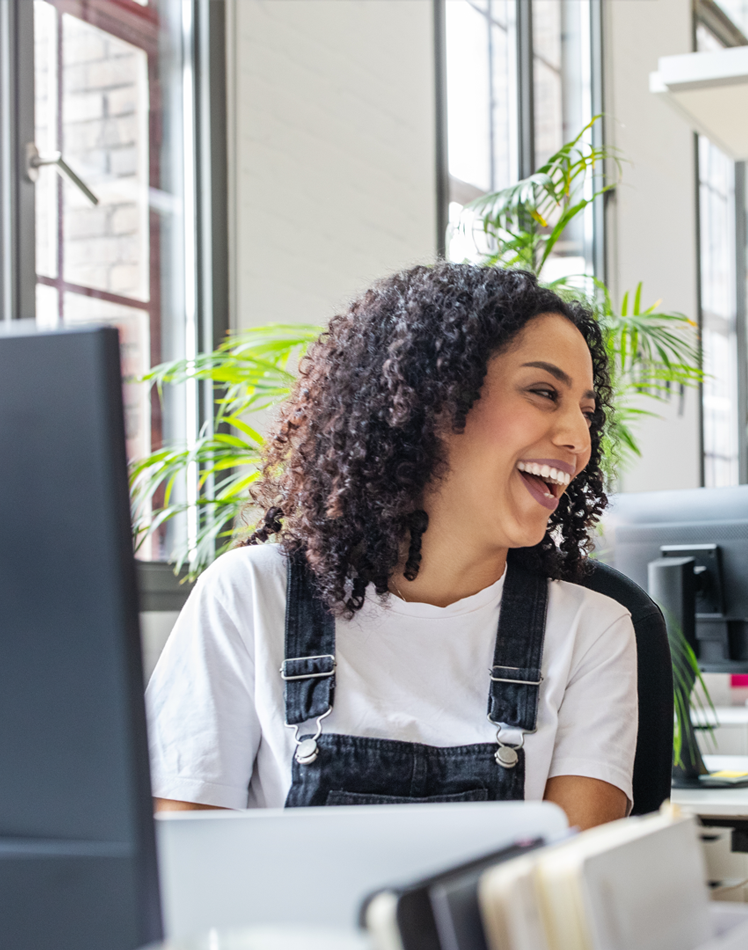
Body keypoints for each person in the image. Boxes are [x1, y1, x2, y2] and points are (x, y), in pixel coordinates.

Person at [146, 264, 638, 831]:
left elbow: (570, 893)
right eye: (543, 393)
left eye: (586, 412)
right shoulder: (249, 596)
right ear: (432, 398)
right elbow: (186, 873)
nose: (578, 439)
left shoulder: (591, 631)